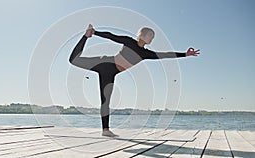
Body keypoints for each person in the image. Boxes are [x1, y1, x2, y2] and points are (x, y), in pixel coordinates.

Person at [69, 24, 200, 137]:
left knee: (105, 100)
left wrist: (185, 54)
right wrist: (95, 32)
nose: (152, 39)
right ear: (143, 35)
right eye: (151, 36)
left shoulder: (145, 54)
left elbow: (165, 55)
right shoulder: (130, 41)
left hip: (111, 73)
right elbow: (112, 36)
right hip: (105, 63)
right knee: (73, 60)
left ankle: (105, 130)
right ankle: (85, 36)